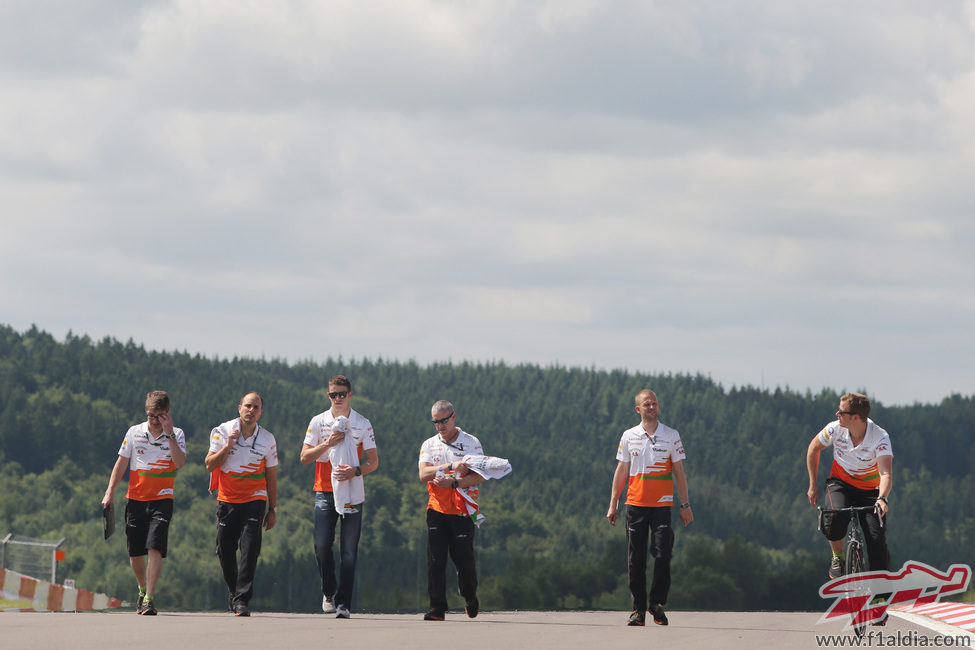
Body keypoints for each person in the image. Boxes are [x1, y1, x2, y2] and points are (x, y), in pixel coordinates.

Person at [606, 389, 692, 627]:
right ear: (638, 409)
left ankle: (657, 603)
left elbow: (679, 472)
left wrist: (685, 504)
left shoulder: (671, 435)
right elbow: (622, 471)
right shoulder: (629, 436)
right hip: (635, 505)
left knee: (663, 555)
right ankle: (638, 610)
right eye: (647, 404)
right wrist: (612, 504)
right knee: (636, 560)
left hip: (662, 506)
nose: (652, 407)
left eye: (654, 403)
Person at [101, 390, 187, 615]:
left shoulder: (176, 434)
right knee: (135, 553)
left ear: (167, 414)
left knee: (154, 547)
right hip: (136, 499)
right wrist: (110, 491)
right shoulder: (134, 432)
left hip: (163, 499)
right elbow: (121, 463)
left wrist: (169, 435)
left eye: (159, 416)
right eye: (151, 415)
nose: (155, 421)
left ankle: (149, 597)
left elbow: (179, 463)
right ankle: (141, 588)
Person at [300, 375, 379, 619]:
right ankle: (329, 592)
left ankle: (344, 603)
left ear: (350, 395)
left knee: (348, 550)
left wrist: (355, 471)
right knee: (322, 545)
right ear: (328, 396)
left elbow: (373, 462)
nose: (337, 399)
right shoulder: (318, 421)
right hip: (324, 490)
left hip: (352, 491)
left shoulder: (362, 423)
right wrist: (328, 444)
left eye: (342, 394)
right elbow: (304, 457)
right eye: (333, 395)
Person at [205, 391, 278, 617]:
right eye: (248, 406)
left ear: (261, 412)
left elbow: (271, 475)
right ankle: (234, 590)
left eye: (256, 407)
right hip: (228, 500)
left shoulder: (268, 439)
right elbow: (209, 464)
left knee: (249, 550)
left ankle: (242, 601)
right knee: (224, 550)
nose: (251, 411)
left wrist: (273, 508)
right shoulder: (222, 431)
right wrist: (227, 446)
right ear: (239, 408)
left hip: (255, 500)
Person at [807, 392, 892, 581]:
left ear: (855, 417)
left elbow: (885, 473)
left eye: (841, 412)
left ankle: (880, 594)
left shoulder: (879, 437)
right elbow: (813, 448)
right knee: (834, 516)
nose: (837, 414)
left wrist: (882, 498)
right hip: (841, 484)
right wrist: (813, 485)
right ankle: (838, 557)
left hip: (871, 491)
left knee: (876, 540)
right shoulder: (835, 429)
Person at [418, 400, 485, 621]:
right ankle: (437, 609)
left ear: (453, 417)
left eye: (444, 421)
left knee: (463, 560)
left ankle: (469, 596)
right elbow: (423, 474)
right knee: (435, 560)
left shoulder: (472, 442)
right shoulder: (429, 444)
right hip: (436, 508)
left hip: (462, 509)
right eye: (436, 422)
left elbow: (480, 476)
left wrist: (455, 483)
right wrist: (448, 467)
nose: (440, 426)